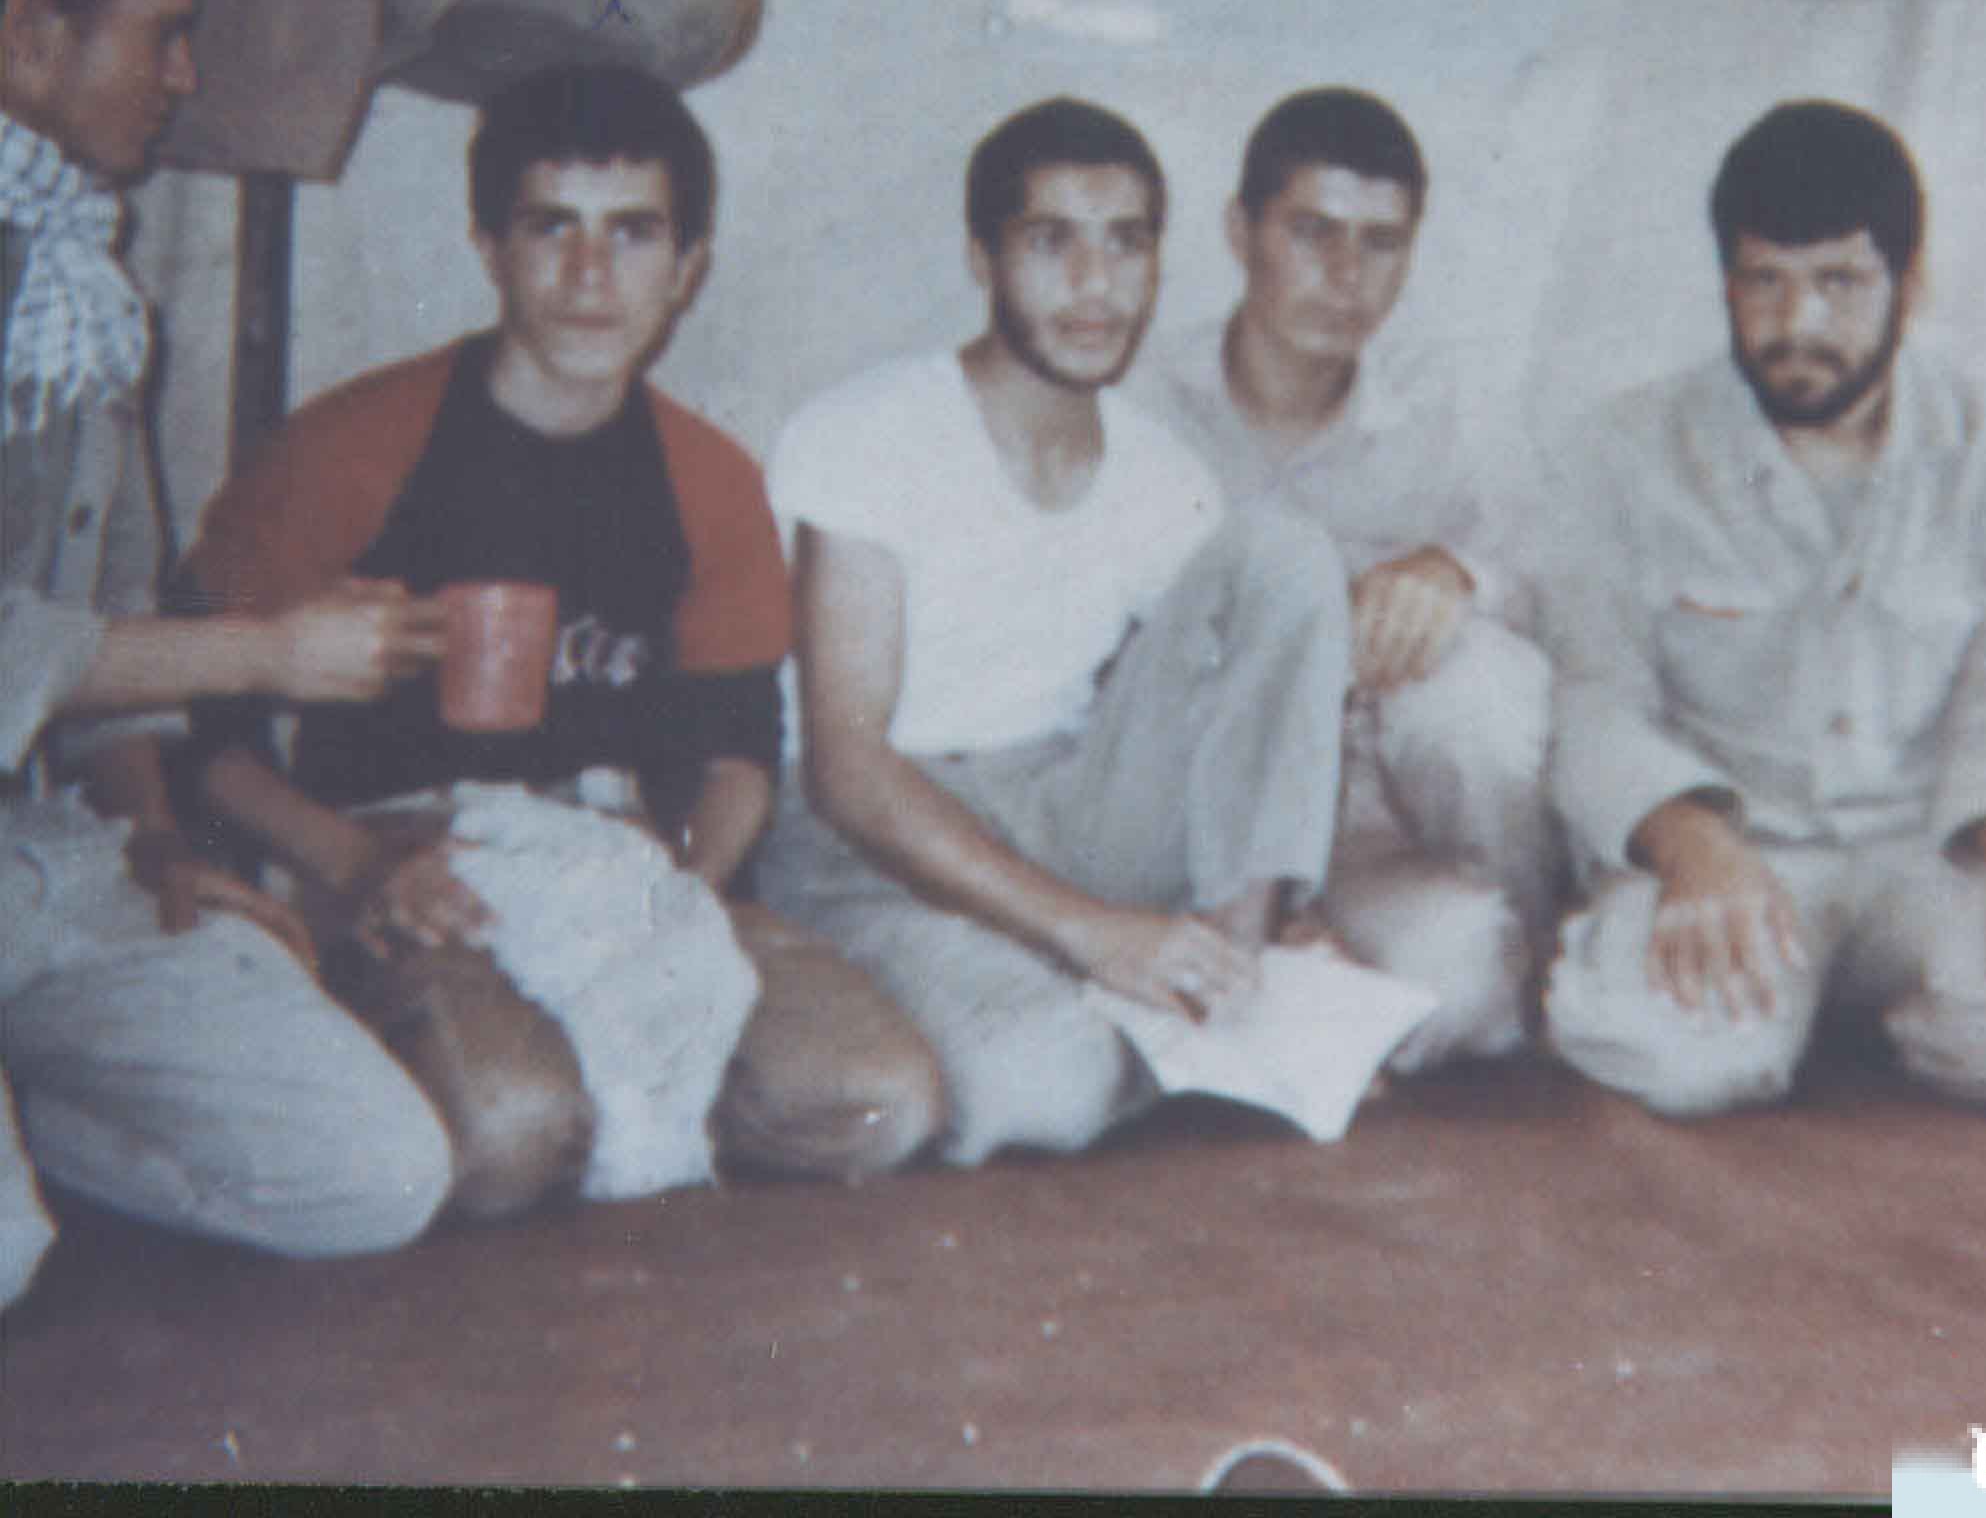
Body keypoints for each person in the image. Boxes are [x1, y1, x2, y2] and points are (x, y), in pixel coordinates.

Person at [181, 64, 943, 1218]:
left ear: (686, 268)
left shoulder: (708, 478)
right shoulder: (352, 447)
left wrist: (682, 895)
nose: (591, 276)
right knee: (512, 1129)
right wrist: (353, 865)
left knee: (879, 1100)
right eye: (552, 228)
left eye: (632, 234)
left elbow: (738, 748)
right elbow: (200, 734)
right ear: (489, 247)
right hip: (406, 859)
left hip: (619, 863)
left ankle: (623, 1108)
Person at [2, 0, 452, 1304]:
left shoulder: (77, 282)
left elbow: (110, 612)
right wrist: (270, 651)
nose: (187, 76)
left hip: (36, 865)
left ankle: (37, 1127)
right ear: (29, 37)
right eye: (165, 33)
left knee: (373, 1177)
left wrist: (156, 845)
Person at [757, 97, 1352, 1166]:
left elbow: (1222, 705)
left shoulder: (1162, 473)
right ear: (982, 258)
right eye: (1051, 243)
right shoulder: (867, 434)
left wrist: (1244, 917)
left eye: (1126, 244)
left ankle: (1238, 969)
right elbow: (846, 774)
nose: (1094, 286)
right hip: (874, 845)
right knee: (1045, 1085)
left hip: (1063, 805)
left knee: (1284, 551)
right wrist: (1093, 932)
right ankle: (1097, 999)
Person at [1537, 101, 1986, 1117]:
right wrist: (1693, 846)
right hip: (1736, 854)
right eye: (1763, 282)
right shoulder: (1622, 450)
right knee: (1672, 1056)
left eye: (1838, 283)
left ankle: (1854, 1004)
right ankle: (1778, 999)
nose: (1797, 325)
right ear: (1724, 281)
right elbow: (1593, 695)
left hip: (1925, 854)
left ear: (1910, 282)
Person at [1140, 88, 1552, 1071]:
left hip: (1373, 821)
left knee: (1483, 691)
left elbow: (1558, 572)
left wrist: (1457, 572)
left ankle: (1520, 949)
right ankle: (1275, 970)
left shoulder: (1446, 404)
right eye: (1312, 232)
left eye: (1380, 243)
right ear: (1240, 232)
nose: (1344, 277)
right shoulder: (1145, 404)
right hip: (1199, 824)